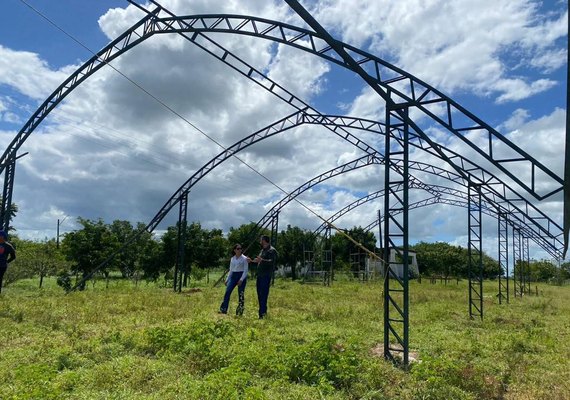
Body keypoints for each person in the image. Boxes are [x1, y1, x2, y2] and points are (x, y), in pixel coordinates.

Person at [219, 244, 250, 316]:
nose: (240, 250)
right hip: (233, 276)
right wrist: (227, 279)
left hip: (241, 275)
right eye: (238, 249)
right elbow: (231, 270)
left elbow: (245, 270)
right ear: (235, 250)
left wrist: (241, 279)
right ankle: (224, 309)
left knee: (241, 294)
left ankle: (240, 311)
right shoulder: (232, 259)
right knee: (227, 292)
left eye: (240, 249)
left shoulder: (245, 258)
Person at [254, 235, 278, 319]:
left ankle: (262, 314)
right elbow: (260, 260)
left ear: (264, 240)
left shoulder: (272, 250)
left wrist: (262, 260)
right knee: (259, 294)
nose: (260, 241)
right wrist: (253, 261)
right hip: (260, 275)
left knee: (263, 294)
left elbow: (272, 262)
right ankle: (261, 312)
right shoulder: (262, 250)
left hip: (266, 275)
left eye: (261, 239)